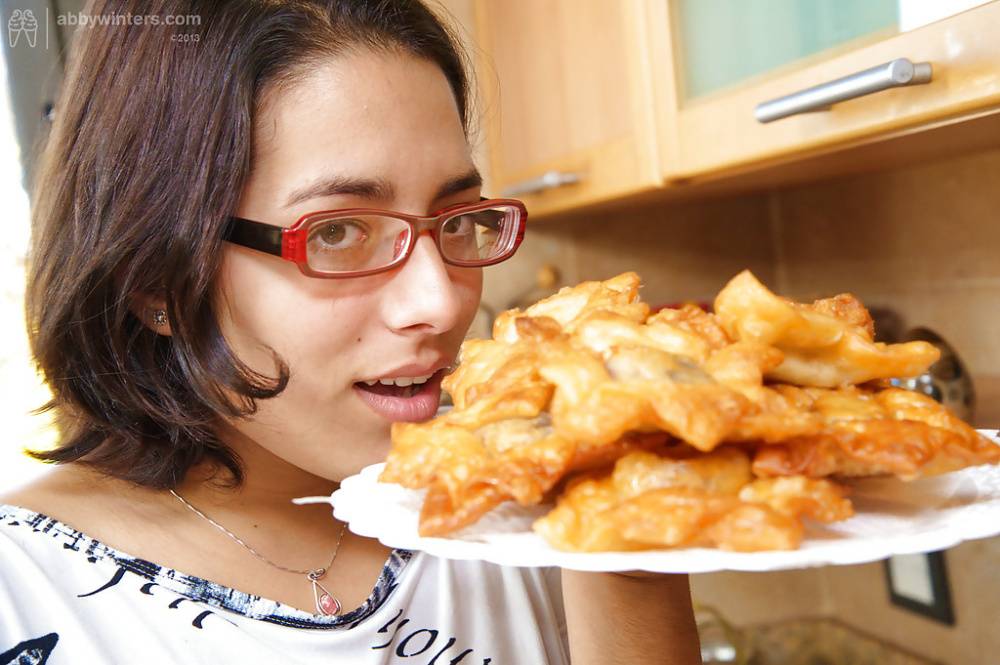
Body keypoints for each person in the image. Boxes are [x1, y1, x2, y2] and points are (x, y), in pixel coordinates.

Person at [0, 1, 701, 663]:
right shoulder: (22, 593)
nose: (438, 302)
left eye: (456, 218)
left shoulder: (535, 499)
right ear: (156, 282)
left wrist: (620, 529)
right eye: (337, 232)